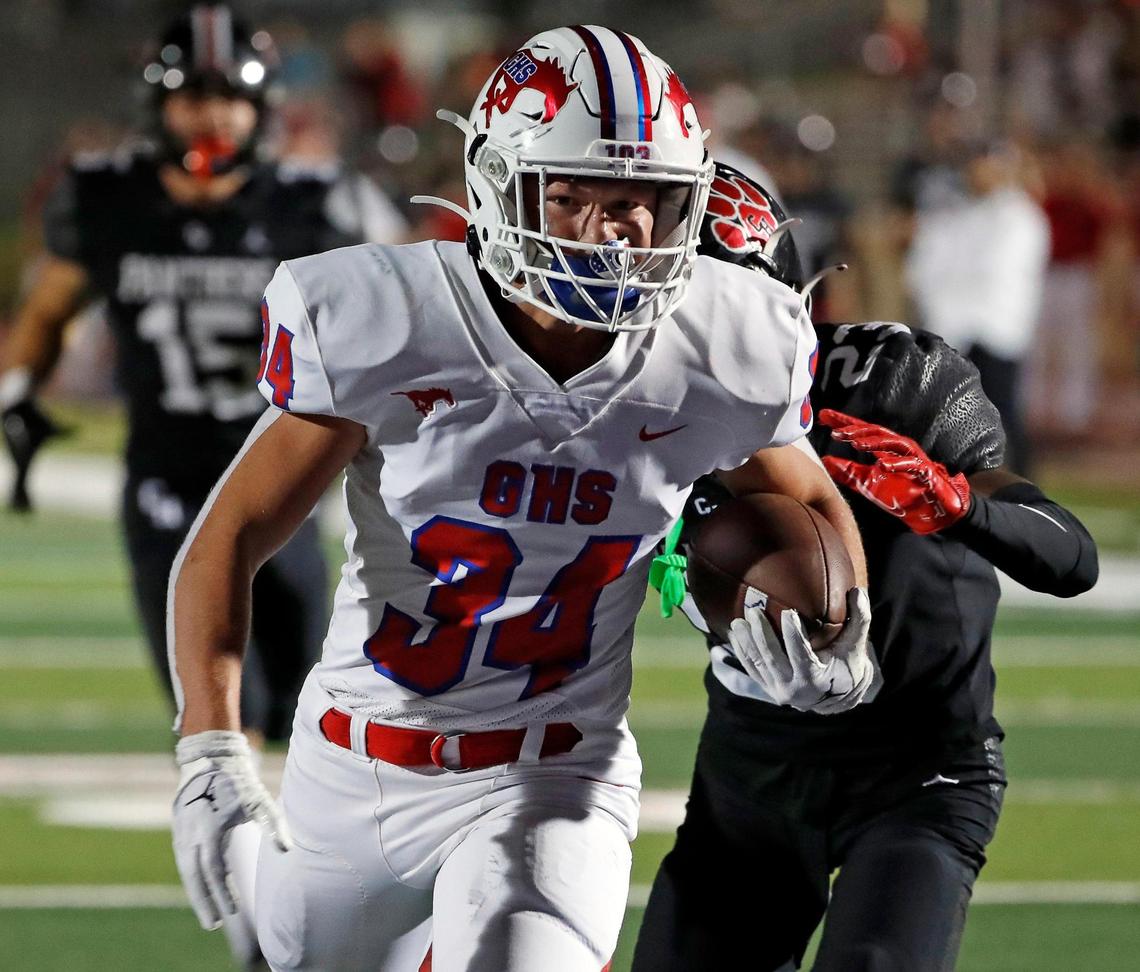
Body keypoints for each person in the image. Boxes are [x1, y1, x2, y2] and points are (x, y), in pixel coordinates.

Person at [166, 27, 878, 972]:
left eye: (643, 200)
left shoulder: (725, 340)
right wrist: (210, 749)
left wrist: (842, 637)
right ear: (499, 185)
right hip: (353, 762)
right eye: (576, 193)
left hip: (553, 771)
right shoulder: (389, 320)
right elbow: (230, 535)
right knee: (283, 947)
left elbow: (816, 511)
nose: (613, 227)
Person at [0, 5, 403, 968]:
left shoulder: (315, 203)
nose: (212, 122)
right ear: (158, 107)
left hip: (280, 484)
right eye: (193, 102)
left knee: (315, 697)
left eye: (229, 102)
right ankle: (259, 919)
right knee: (230, 706)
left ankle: (307, 892)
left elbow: (399, 310)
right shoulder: (109, 198)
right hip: (171, 483)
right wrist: (17, 388)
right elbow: (51, 305)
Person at [632, 163, 1099, 972]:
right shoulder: (631, 404)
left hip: (915, 774)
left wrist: (960, 505)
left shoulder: (891, 381)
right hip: (749, 773)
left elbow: (1070, 557)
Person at [905, 138, 1050, 475]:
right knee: (944, 417)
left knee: (1003, 413)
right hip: (952, 328)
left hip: (995, 327)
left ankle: (1023, 492)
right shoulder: (954, 210)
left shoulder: (1019, 215)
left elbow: (996, 273)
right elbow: (923, 268)